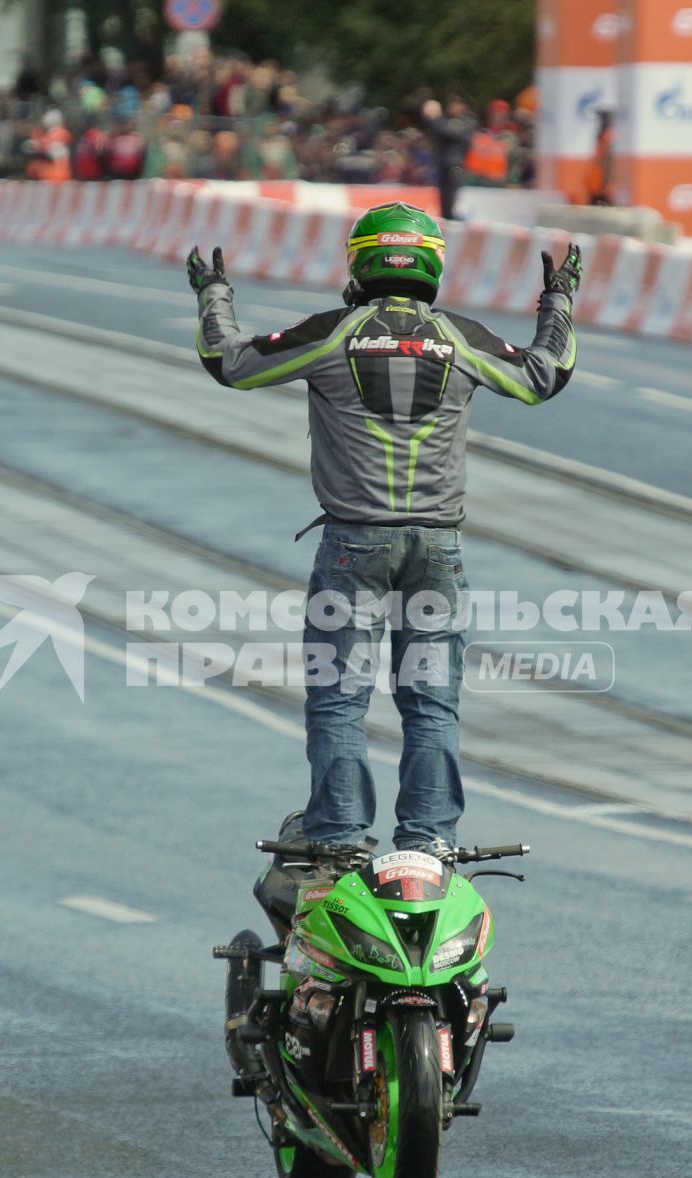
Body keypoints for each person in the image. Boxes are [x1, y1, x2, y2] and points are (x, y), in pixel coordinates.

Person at [183, 203, 578, 911]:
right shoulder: (460, 337)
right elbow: (544, 375)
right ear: (432, 263)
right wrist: (559, 301)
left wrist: (214, 297)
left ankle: (337, 841)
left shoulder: (335, 332)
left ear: (359, 262)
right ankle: (427, 845)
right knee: (431, 704)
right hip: (438, 550)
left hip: (352, 546)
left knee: (341, 698)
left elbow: (231, 364)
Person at [422, 95, 476, 220]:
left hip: (454, 167)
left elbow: (447, 131)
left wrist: (435, 116)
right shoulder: (446, 121)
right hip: (443, 167)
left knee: (451, 203)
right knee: (444, 203)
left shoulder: (467, 121)